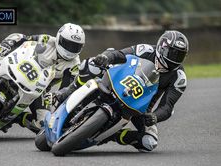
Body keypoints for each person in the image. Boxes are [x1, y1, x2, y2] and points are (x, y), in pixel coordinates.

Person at [55, 30, 189, 152]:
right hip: (117, 81)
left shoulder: (179, 78)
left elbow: (167, 107)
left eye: (180, 55)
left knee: (149, 142)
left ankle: (112, 135)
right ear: (162, 47)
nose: (174, 59)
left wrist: (155, 117)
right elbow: (119, 54)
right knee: (91, 65)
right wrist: (105, 57)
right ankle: (68, 92)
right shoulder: (145, 50)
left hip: (140, 106)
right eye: (172, 53)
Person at [0, 23, 85, 133]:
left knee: (43, 125)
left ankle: (17, 118)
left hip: (40, 88)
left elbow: (66, 88)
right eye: (68, 44)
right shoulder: (47, 40)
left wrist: (57, 98)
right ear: (59, 39)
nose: (70, 50)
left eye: (75, 47)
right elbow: (21, 38)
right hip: (19, 66)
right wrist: (5, 46)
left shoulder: (74, 65)